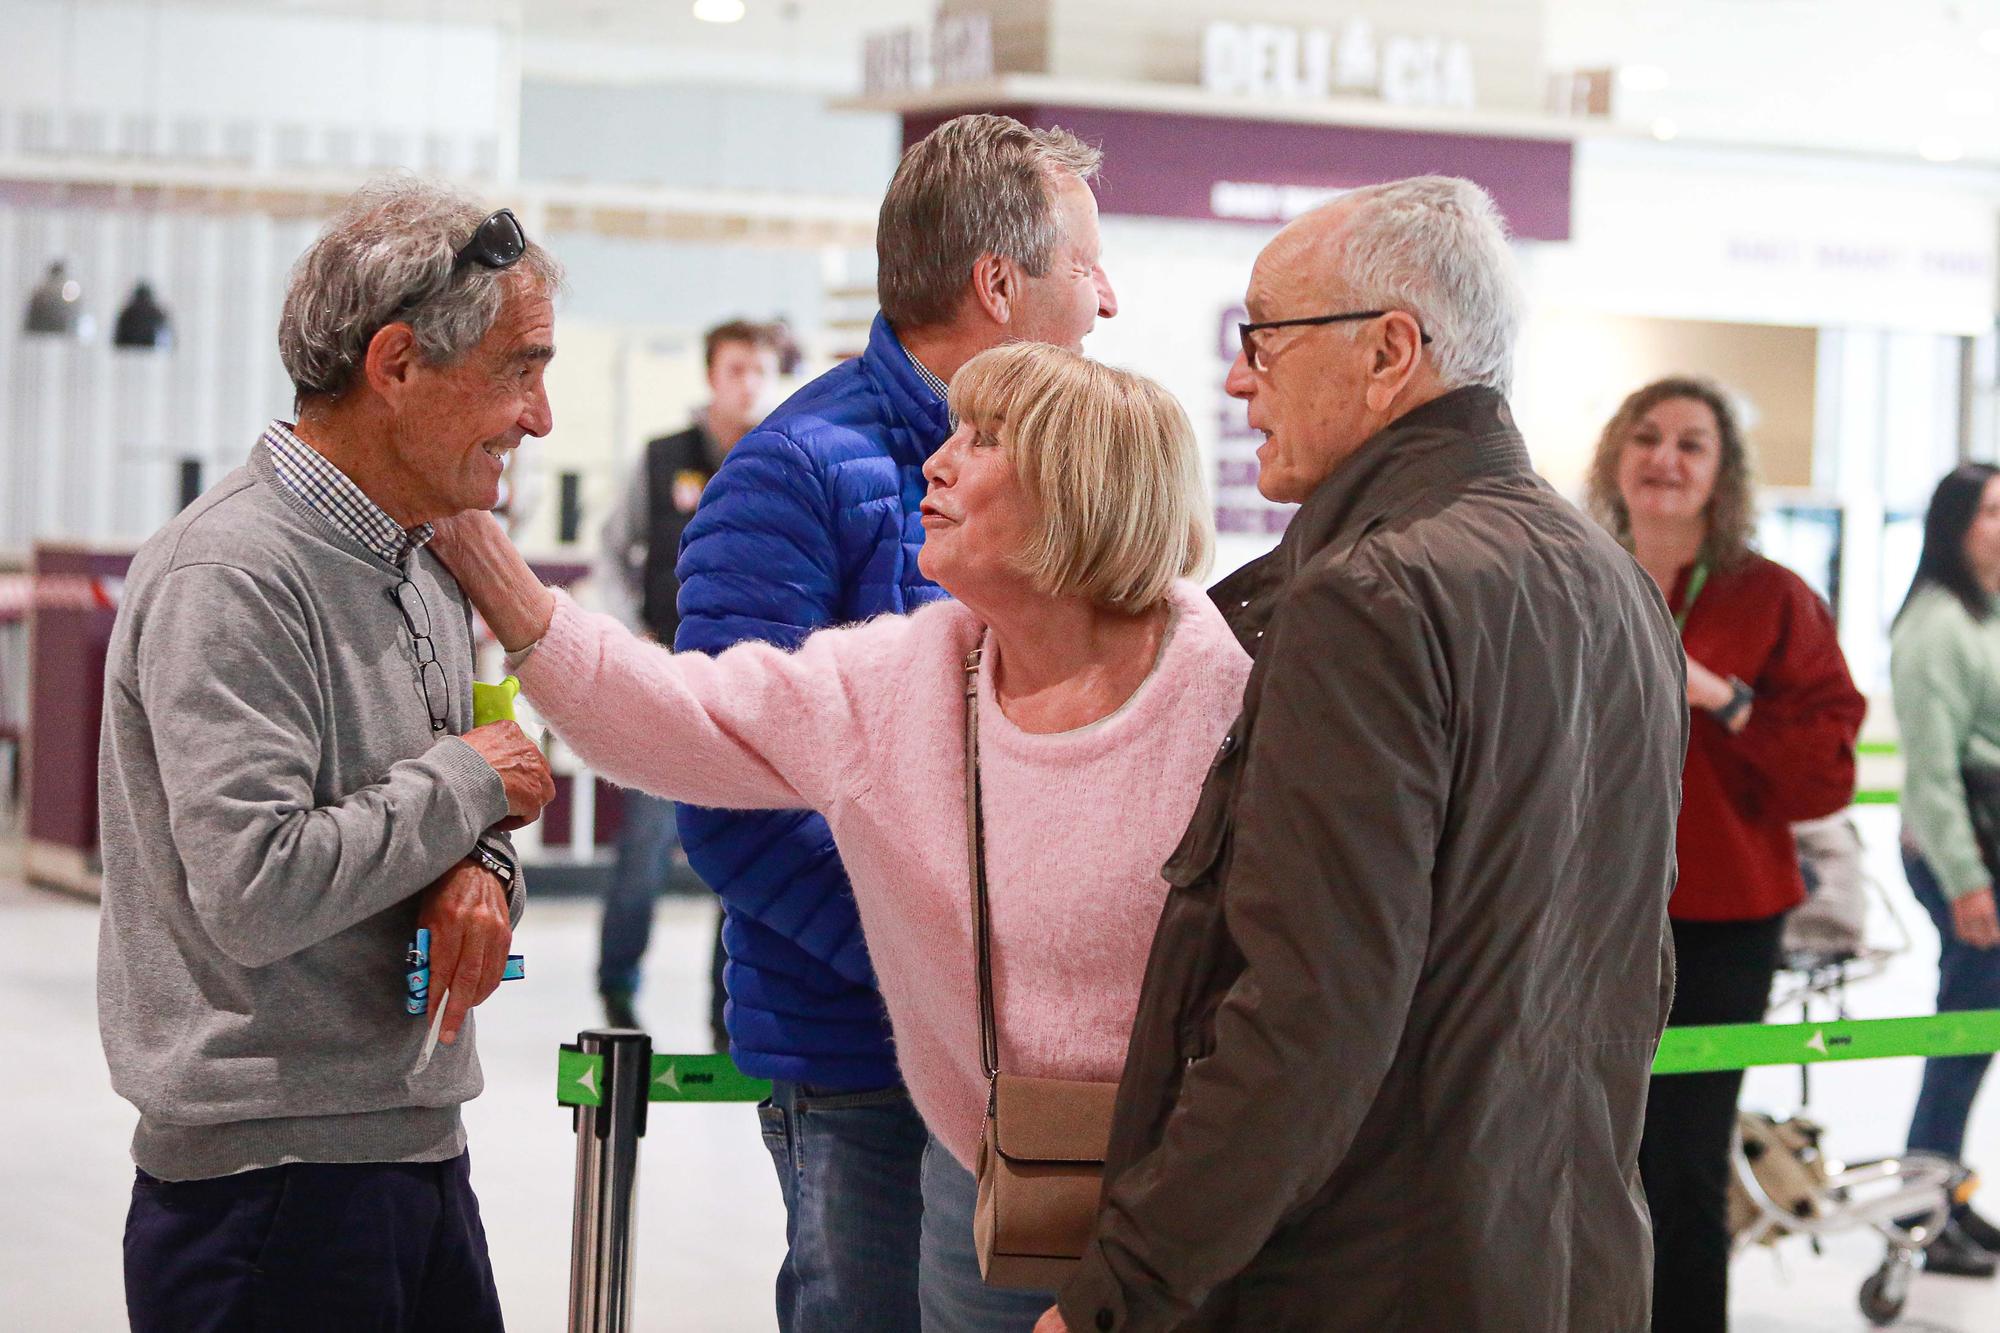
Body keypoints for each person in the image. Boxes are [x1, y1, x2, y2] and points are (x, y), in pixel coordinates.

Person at [431, 342, 1244, 1332]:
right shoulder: (906, 681)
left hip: (1201, 1199)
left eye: (982, 442)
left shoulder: (1229, 692)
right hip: (992, 1183)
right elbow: (680, 716)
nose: (936, 465)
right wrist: (488, 565)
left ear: (1081, 488)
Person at [1041, 176, 1686, 1333]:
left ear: (1389, 350)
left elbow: (1309, 1015)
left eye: (1265, 338)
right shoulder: (1611, 582)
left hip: (1365, 1279)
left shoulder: (1368, 597)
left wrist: (1118, 1292)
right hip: (1563, 1259)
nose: (1238, 378)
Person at [671, 113, 1117, 1330]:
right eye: (1085, 267)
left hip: (1018, 1072)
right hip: (863, 1073)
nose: (1108, 300)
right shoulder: (797, 475)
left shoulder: (1059, 475)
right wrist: (934, 972)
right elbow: (728, 798)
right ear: (997, 283)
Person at [97, 178, 560, 1330]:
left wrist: (480, 867)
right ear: (395, 364)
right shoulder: (233, 576)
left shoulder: (424, 558)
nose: (539, 416)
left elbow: (469, 798)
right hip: (268, 1195)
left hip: (408, 1149)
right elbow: (254, 889)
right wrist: (469, 786)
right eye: (519, 368)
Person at [1586, 376, 1866, 1328]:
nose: (1664, 458)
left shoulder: (1774, 598)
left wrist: (1729, 700)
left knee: (1684, 1159)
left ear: (1722, 472)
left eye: (1691, 443)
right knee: (1584, 1151)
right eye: (1648, 435)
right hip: (1584, 913)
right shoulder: (1572, 571)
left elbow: (1826, 775)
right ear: (1617, 454)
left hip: (1722, 925)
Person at [596, 318, 786, 1040]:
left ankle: (727, 1013)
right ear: (712, 374)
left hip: (748, 691)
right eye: (736, 368)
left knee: (742, 854)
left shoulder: (783, 455)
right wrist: (630, 637)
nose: (749, 383)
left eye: (760, 370)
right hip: (663, 683)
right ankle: (618, 989)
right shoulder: (659, 460)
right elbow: (613, 553)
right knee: (644, 848)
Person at [1892, 462, 2000, 1274]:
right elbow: (1932, 772)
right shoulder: (1936, 625)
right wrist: (1967, 882)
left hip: (1986, 852)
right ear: (1955, 523)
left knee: (1973, 1042)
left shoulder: (1984, 614)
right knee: (1960, 1042)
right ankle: (1921, 1218)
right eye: (1993, 511)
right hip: (1965, 858)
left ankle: (1946, 1197)